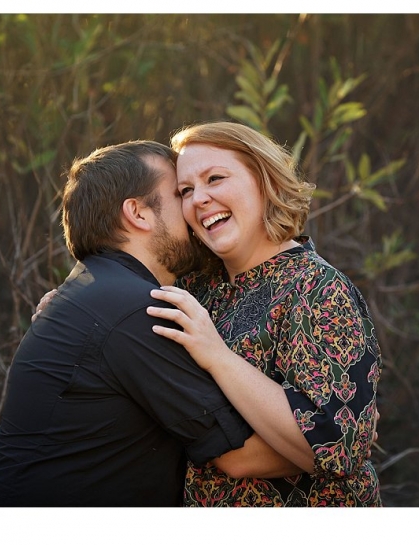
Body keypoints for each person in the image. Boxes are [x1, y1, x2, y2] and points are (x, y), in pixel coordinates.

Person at [0, 140, 305, 507]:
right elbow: (240, 455)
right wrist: (339, 443)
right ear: (138, 214)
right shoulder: (135, 309)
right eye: (181, 194)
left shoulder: (96, 293)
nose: (194, 208)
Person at [146, 121, 383, 506]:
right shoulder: (197, 288)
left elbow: (336, 447)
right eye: (186, 190)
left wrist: (217, 356)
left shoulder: (316, 287)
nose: (198, 199)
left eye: (215, 178)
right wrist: (72, 303)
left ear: (263, 180)